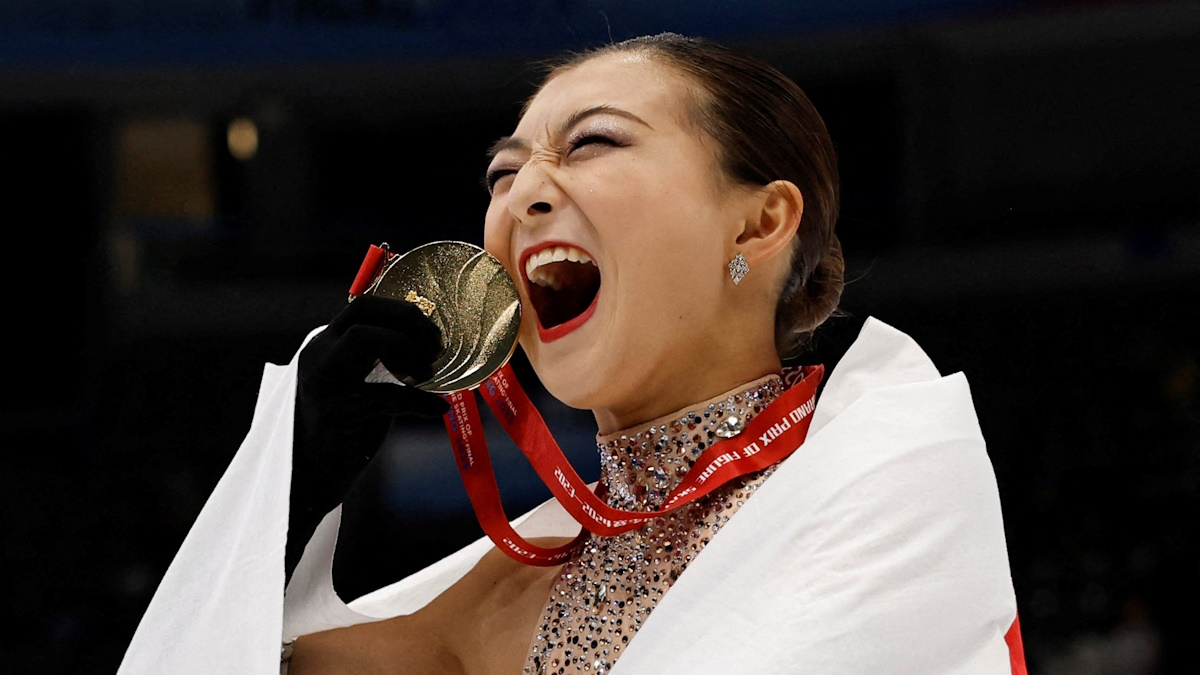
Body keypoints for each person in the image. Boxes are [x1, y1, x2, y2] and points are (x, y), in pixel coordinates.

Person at [118, 33, 1026, 674]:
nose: (523, 195)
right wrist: (289, 487)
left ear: (758, 223)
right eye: (503, 174)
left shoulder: (898, 480)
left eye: (592, 143)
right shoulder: (513, 584)